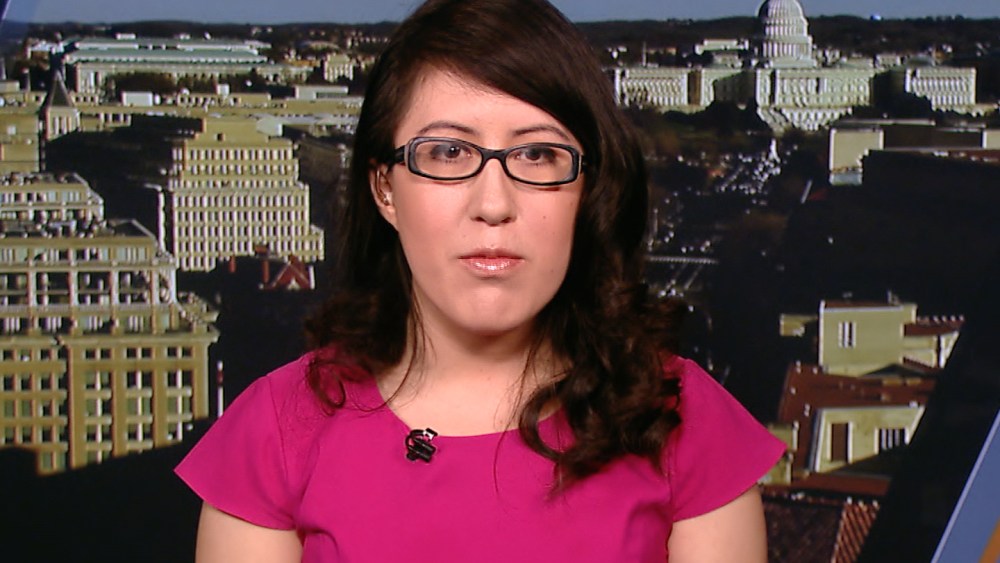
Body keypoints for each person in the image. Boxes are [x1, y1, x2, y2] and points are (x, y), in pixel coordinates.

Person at [175, 0, 786, 561]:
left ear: (587, 189)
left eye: (537, 156)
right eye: (448, 153)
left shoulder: (685, 422)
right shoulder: (277, 431)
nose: (493, 205)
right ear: (385, 188)